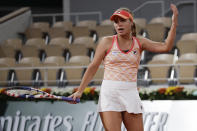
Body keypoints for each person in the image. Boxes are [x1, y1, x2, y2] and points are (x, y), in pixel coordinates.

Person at [69, 4, 178, 131]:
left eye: (122, 20)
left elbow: (166, 47)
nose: (118, 24)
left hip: (130, 93)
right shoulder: (106, 42)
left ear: (131, 22)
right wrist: (80, 90)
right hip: (110, 94)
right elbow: (93, 66)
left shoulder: (140, 42)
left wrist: (174, 24)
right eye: (116, 22)